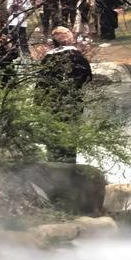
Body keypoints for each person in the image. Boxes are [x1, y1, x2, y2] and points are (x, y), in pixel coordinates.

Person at [35, 26, 93, 161]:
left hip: (51, 104)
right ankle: (69, 164)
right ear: (69, 40)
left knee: (53, 132)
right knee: (70, 134)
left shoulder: (47, 59)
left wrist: (37, 104)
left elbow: (40, 84)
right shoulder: (77, 58)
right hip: (71, 102)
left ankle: (53, 162)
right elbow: (87, 78)